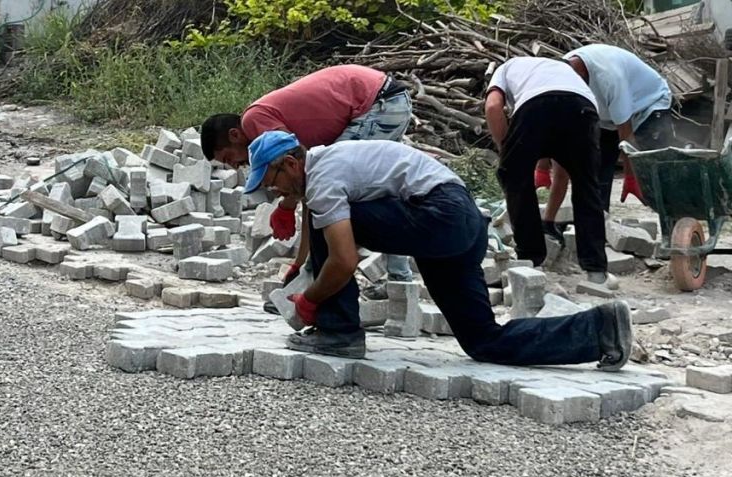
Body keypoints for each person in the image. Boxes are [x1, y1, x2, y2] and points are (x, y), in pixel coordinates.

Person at [243, 130, 632, 371]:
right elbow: (315, 202)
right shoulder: (326, 167)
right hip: (461, 224)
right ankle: (600, 329)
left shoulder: (325, 175)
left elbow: (344, 259)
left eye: (271, 180)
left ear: (291, 163)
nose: (272, 189)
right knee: (483, 341)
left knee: (335, 226)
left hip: (440, 215)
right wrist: (288, 210)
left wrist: (310, 300)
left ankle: (339, 331)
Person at [201, 64, 415, 295]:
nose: (235, 166)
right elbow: (307, 182)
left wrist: (287, 207)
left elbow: (305, 181)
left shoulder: (253, 121)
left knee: (338, 194)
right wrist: (298, 259)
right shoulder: (267, 121)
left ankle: (323, 287)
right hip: (387, 99)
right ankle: (399, 281)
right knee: (374, 191)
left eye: (228, 157)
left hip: (376, 103)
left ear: (235, 135)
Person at [484, 57, 610, 284]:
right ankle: (596, 270)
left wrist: (506, 151)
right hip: (583, 107)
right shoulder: (563, 71)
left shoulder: (505, 68)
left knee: (515, 177)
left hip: (535, 106)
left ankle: (530, 261)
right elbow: (562, 169)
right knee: (586, 184)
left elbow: (493, 106)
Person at [541, 44, 676, 237]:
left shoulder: (610, 77)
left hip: (648, 105)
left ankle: (673, 233)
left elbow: (626, 133)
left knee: (653, 170)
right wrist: (542, 166)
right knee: (596, 172)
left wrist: (631, 176)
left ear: (579, 76)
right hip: (607, 116)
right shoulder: (562, 70)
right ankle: (598, 230)